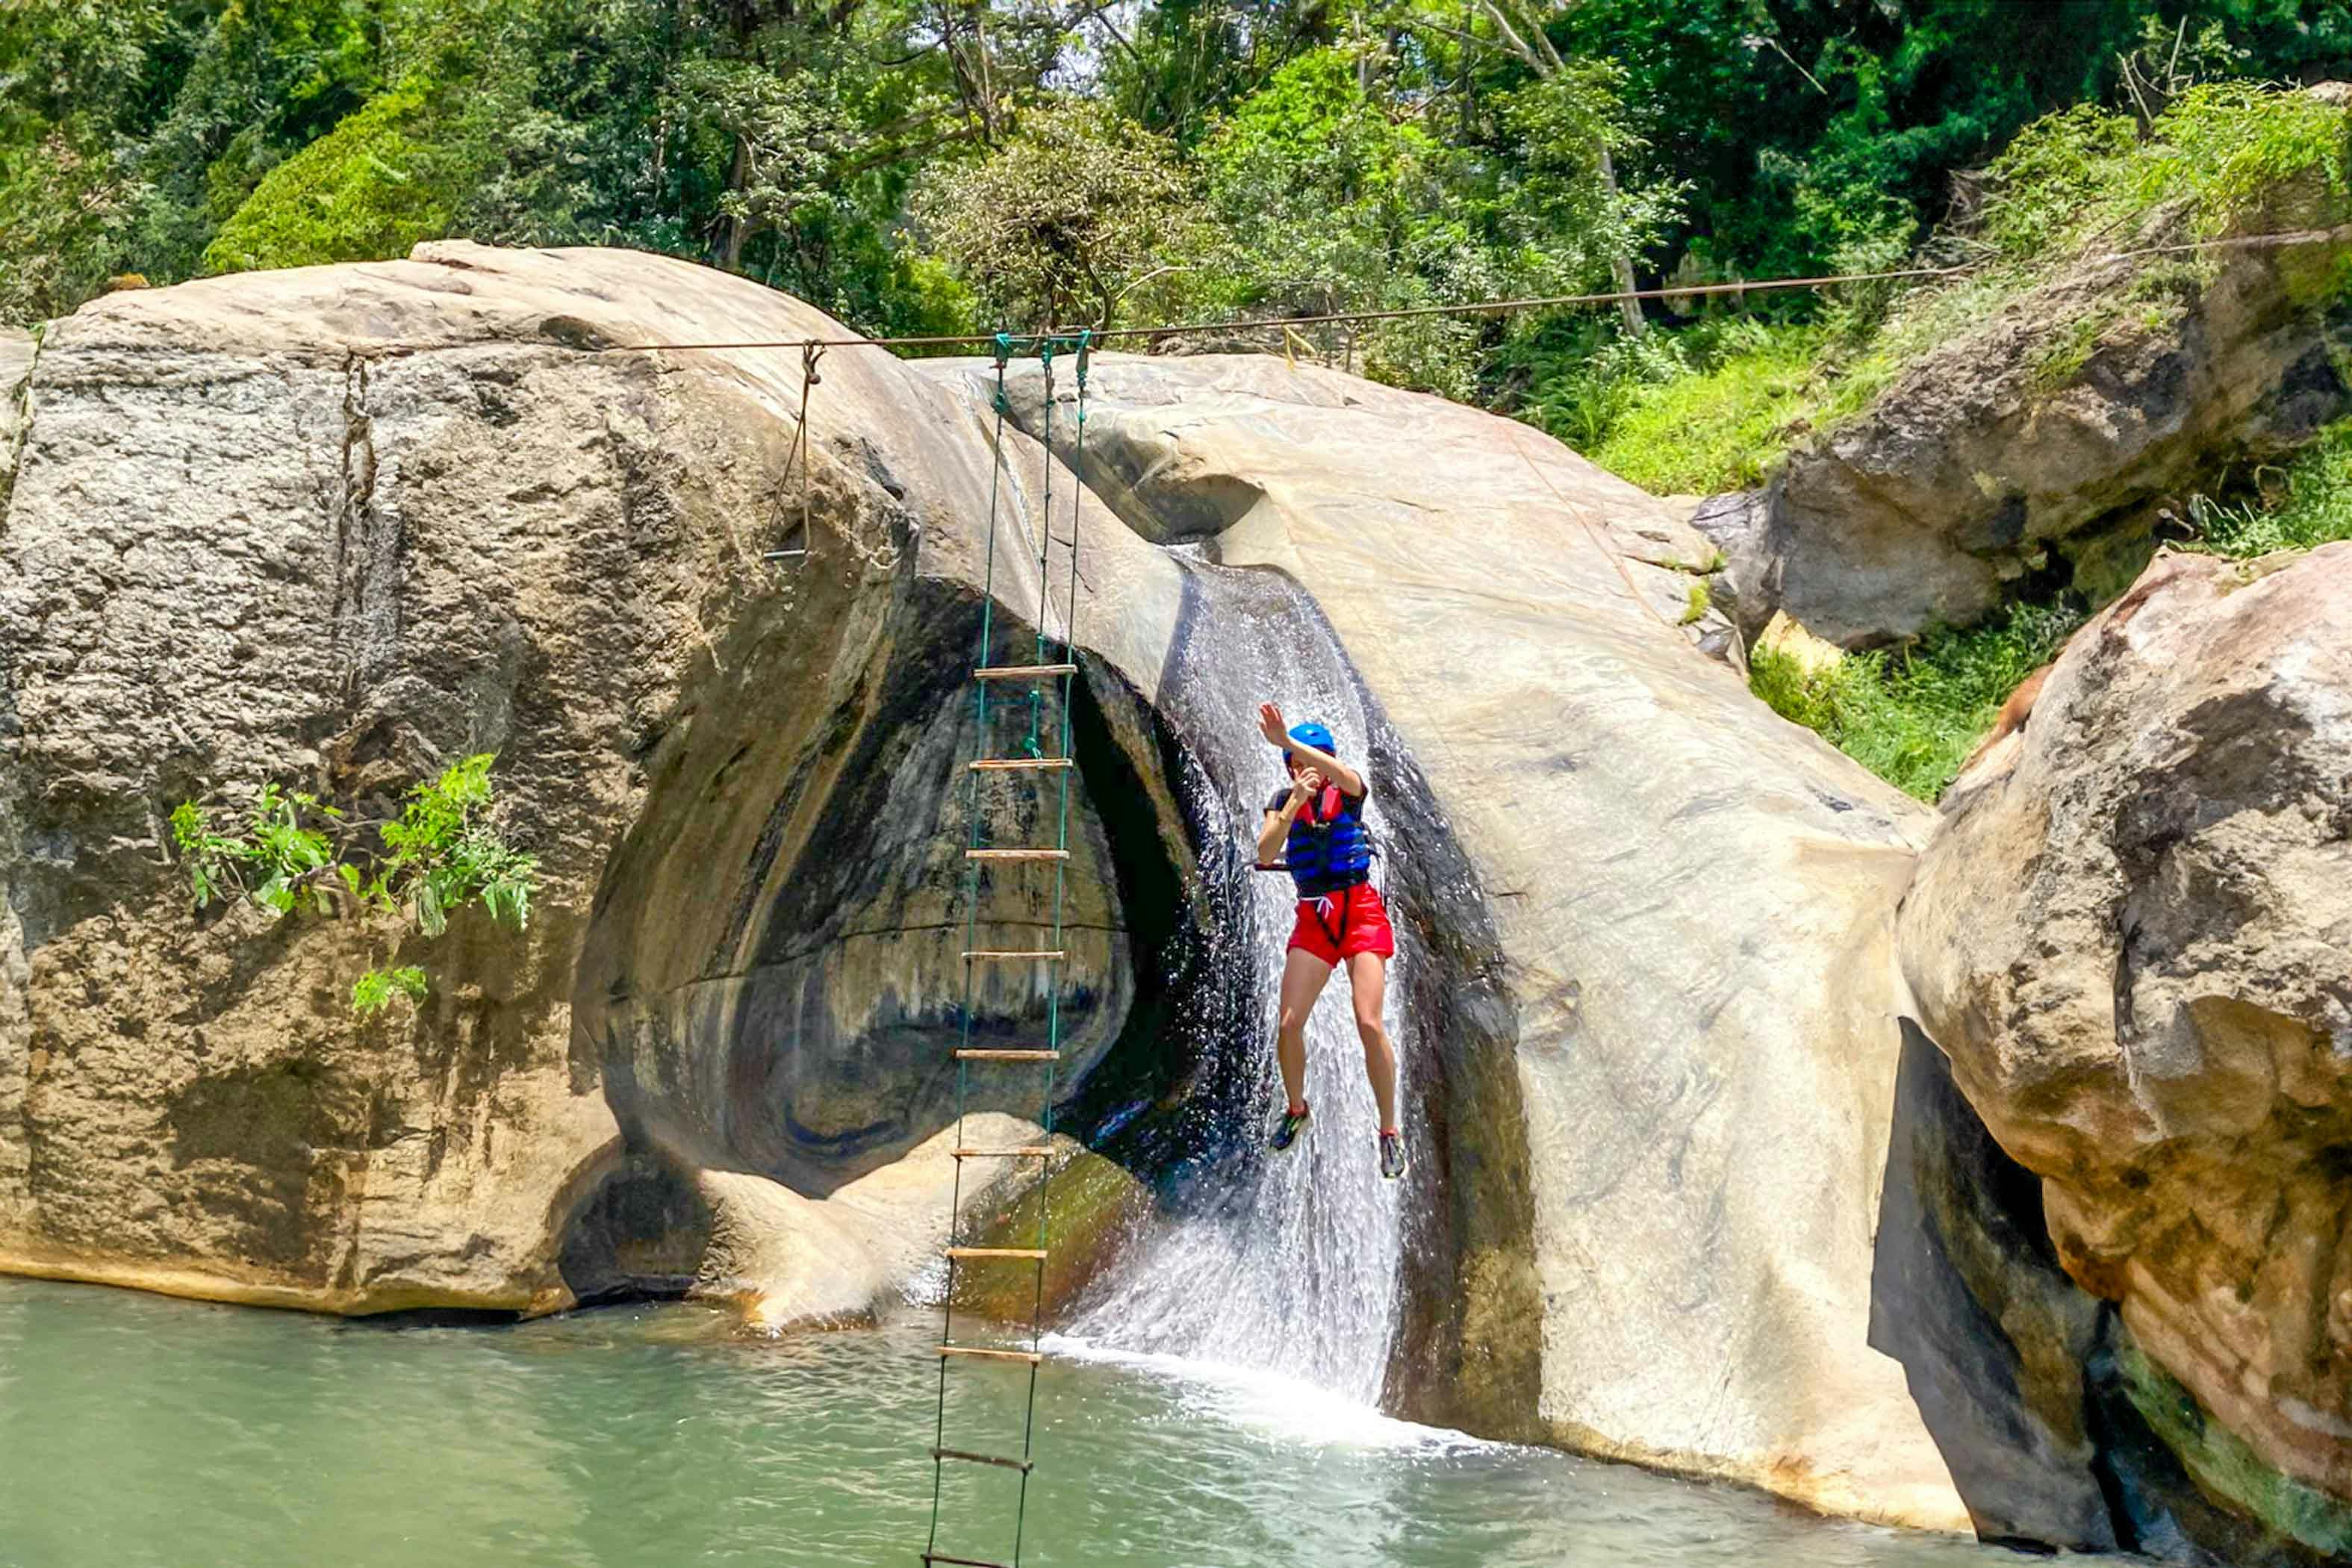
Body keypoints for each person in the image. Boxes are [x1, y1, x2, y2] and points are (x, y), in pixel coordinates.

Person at [1252, 703, 1405, 1180]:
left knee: (1369, 1021)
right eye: (1297, 765)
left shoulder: (1348, 789)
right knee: (1289, 1023)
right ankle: (1297, 1109)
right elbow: (1265, 851)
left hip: (1359, 911)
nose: (1306, 770)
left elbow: (1345, 775)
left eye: (1313, 761)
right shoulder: (1283, 798)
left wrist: (1289, 745)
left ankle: (1388, 1131)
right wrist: (1295, 799)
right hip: (1315, 916)